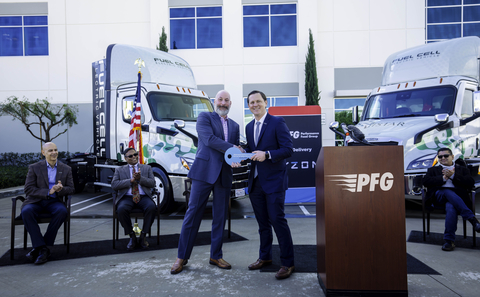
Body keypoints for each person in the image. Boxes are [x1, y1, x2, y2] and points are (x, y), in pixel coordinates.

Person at [170, 90, 241, 274]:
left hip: (224, 174)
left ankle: (215, 255)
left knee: (220, 217)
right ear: (214, 101)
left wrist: (238, 152)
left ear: (230, 103)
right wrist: (232, 147)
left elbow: (230, 153)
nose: (223, 103)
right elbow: (209, 140)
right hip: (204, 173)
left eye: (226, 100)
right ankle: (181, 257)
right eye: (220, 99)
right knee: (193, 214)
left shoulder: (234, 126)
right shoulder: (204, 117)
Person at [244, 90, 295, 280]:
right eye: (251, 102)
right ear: (248, 106)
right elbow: (252, 149)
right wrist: (243, 151)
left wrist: (267, 154)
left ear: (265, 103)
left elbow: (288, 149)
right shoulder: (249, 127)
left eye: (258, 101)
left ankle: (288, 263)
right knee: (262, 224)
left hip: (274, 182)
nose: (255, 105)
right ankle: (264, 257)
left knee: (277, 221)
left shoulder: (277, 122)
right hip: (256, 182)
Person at [21, 142, 74, 265]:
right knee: (26, 211)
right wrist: (48, 191)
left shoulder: (66, 169)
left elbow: (71, 189)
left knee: (62, 211)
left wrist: (61, 189)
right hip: (36, 201)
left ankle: (40, 247)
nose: (54, 152)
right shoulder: (34, 167)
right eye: (50, 150)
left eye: (55, 150)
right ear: (43, 152)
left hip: (54, 201)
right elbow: (28, 189)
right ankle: (43, 249)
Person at [423, 147, 480, 251]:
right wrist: (442, 179)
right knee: (446, 191)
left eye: (446, 156)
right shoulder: (433, 170)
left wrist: (454, 176)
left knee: (451, 206)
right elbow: (425, 181)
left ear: (452, 156)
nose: (443, 158)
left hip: (457, 199)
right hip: (439, 197)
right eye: (440, 156)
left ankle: (449, 241)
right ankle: (472, 219)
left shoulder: (462, 169)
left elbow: (470, 183)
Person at [111, 148, 156, 250]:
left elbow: (152, 183)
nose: (134, 157)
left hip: (143, 196)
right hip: (127, 197)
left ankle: (143, 235)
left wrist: (140, 179)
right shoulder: (119, 170)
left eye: (135, 154)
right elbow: (114, 185)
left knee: (152, 207)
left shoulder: (146, 168)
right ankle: (132, 236)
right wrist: (130, 181)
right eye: (130, 156)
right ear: (125, 158)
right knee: (121, 209)